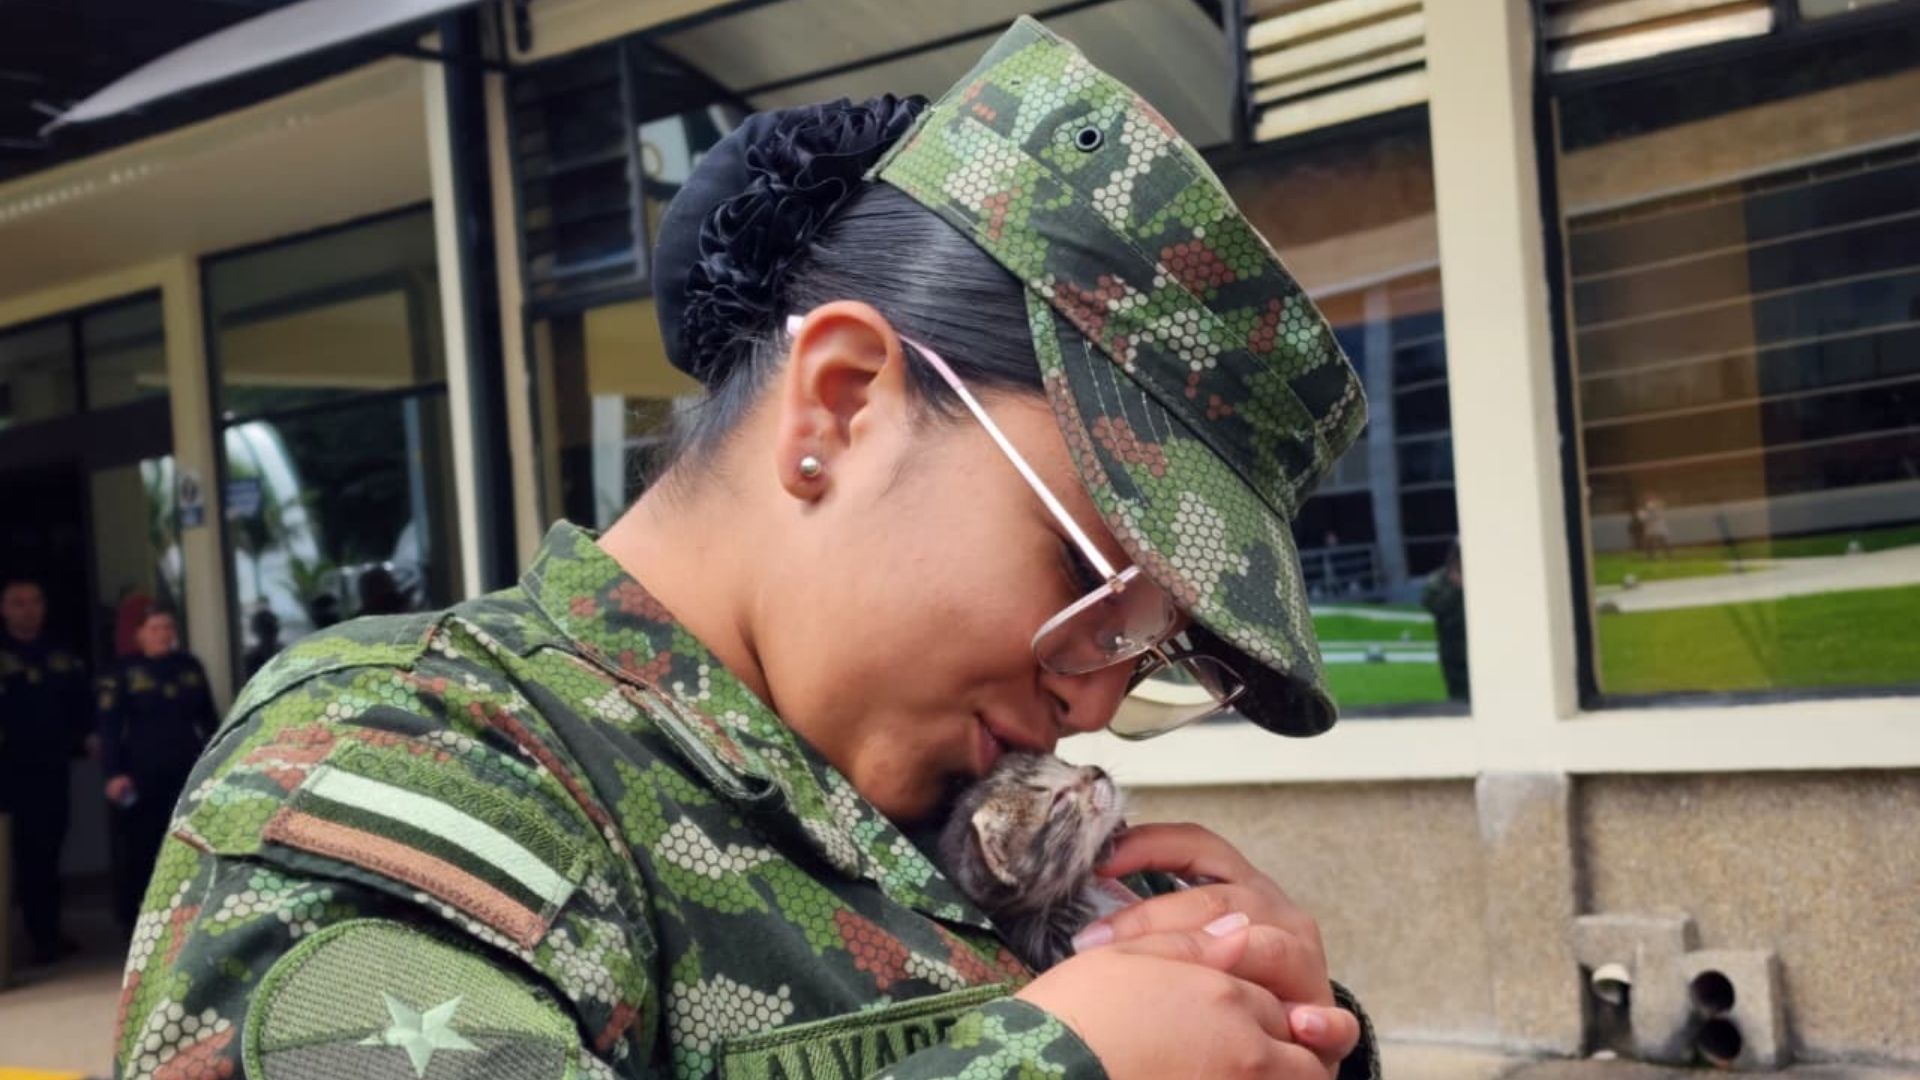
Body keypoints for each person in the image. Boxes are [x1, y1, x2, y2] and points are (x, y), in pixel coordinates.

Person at [115, 21, 1379, 1080]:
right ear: (840, 403)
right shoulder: (413, 767)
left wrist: (1283, 1035)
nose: (1093, 700)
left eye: (1153, 653)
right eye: (1087, 584)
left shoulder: (944, 823)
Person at [97, 608, 218, 930]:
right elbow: (109, 727)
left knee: (184, 843)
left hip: (185, 769)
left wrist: (218, 763)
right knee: (140, 847)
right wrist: (113, 774)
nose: (163, 633)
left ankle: (184, 915)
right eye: (154, 628)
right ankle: (133, 921)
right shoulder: (121, 672)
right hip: (140, 772)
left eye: (168, 626)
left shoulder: (189, 667)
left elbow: (209, 720)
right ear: (138, 634)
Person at [0, 577, 91, 964]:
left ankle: (46, 934)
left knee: (47, 851)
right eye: (18, 603)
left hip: (51, 768)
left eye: (35, 601)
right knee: (12, 857)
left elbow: (81, 706)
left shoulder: (60, 655)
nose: (28, 609)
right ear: (4, 610)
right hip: (7, 770)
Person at [1423, 541, 1469, 702]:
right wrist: (1456, 589)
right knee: (1459, 698)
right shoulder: (1439, 581)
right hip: (1454, 651)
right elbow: (1433, 606)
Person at [241, 608, 282, 680]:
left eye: (269, 628)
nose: (267, 633)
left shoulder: (285, 655)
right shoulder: (249, 661)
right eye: (265, 629)